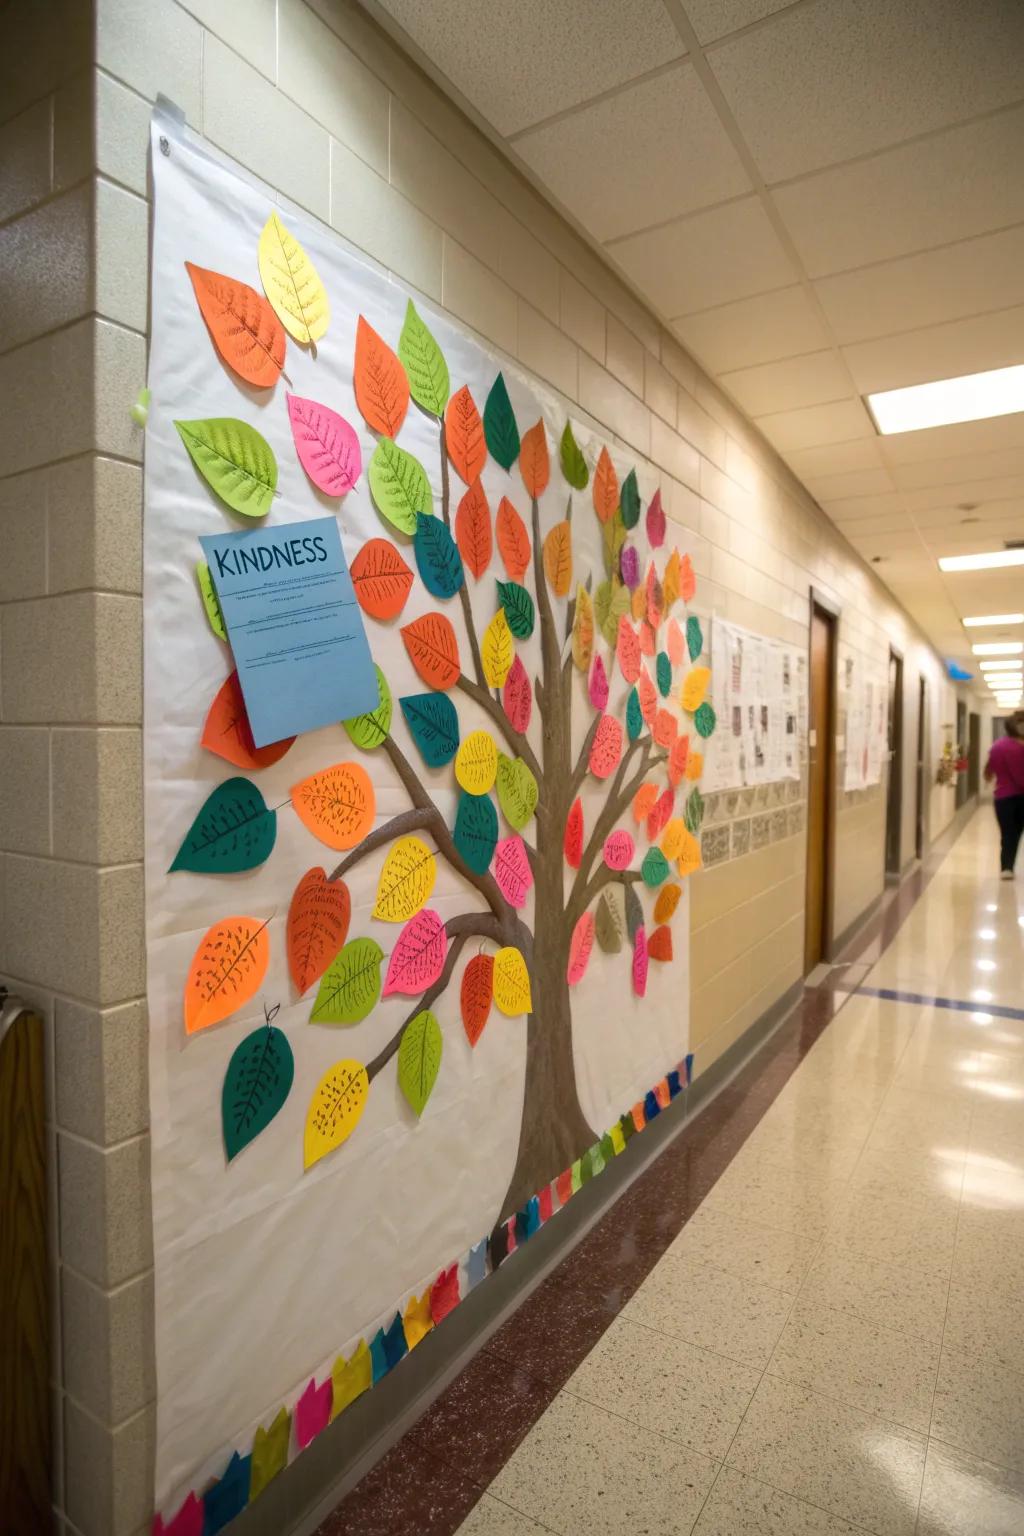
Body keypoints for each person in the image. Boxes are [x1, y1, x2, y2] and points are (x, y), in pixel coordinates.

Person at [984, 712, 1024, 879]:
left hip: (1002, 798)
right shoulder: (1018, 747)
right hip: (1020, 797)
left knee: (1008, 833)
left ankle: (1006, 867)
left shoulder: (997, 746)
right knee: (1015, 832)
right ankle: (1007, 866)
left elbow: (988, 772)